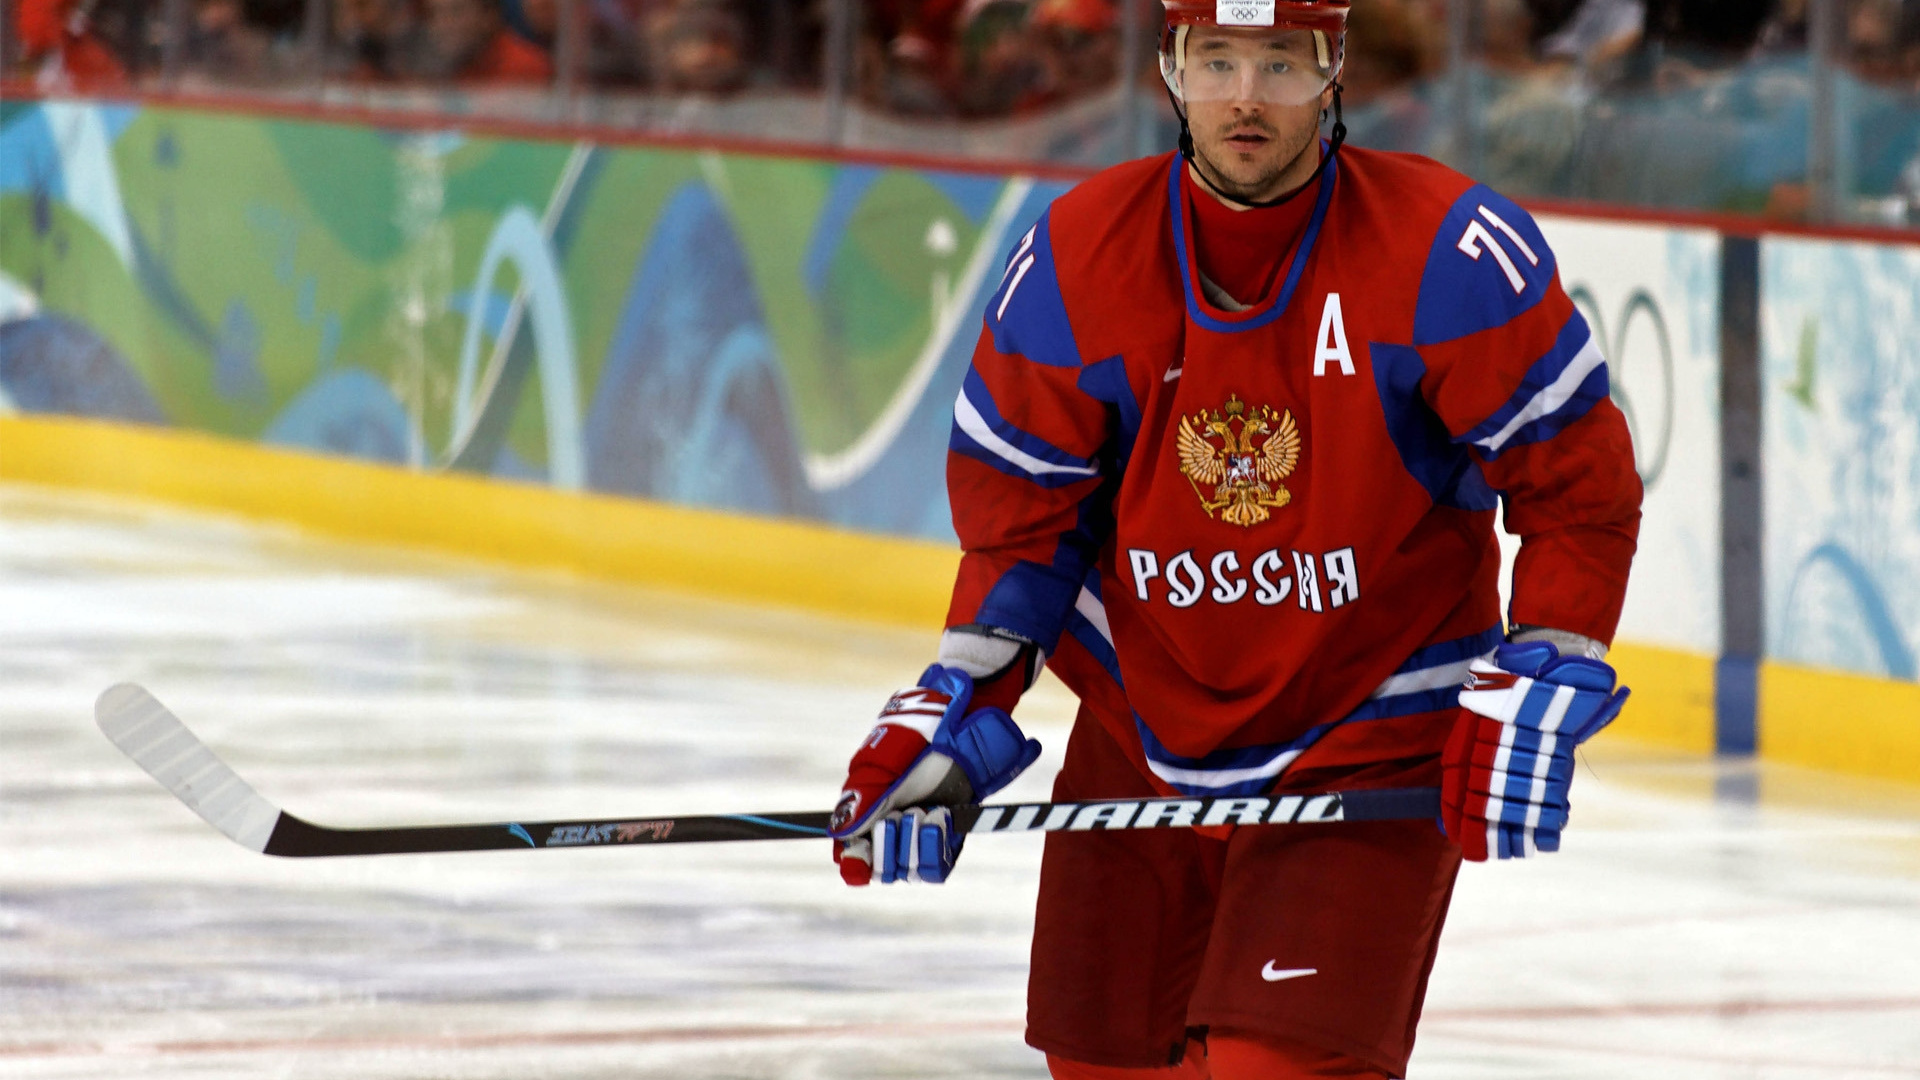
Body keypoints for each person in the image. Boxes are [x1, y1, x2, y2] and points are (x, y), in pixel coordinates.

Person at [827, 1, 1642, 1077]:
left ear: (1333, 66)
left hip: (1366, 735)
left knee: (1273, 1067)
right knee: (1099, 1063)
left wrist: (1550, 655)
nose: (1245, 95)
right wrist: (959, 702)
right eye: (1215, 60)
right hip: (1142, 737)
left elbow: (1575, 485)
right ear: (1170, 67)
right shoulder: (1077, 260)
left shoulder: (1445, 251)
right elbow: (1025, 528)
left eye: (1278, 61)